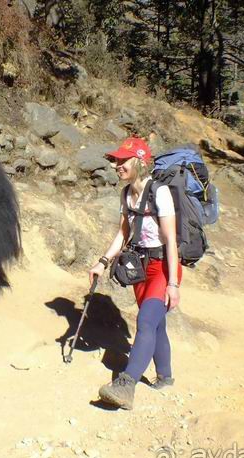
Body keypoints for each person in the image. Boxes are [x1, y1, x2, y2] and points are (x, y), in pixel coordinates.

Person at [89, 137, 182, 410]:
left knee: (145, 321)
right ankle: (165, 376)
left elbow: (171, 240)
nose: (117, 165)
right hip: (140, 267)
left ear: (140, 162)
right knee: (155, 323)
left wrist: (173, 283)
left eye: (123, 160)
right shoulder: (126, 193)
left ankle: (126, 384)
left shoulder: (160, 192)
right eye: (116, 161)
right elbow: (123, 233)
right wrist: (102, 262)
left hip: (163, 267)